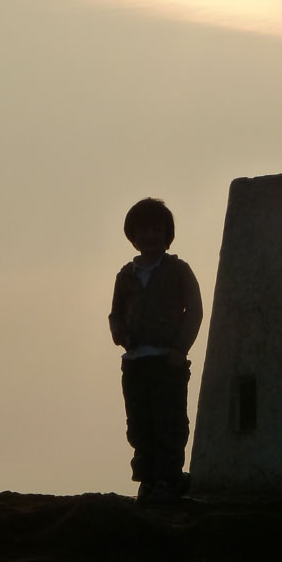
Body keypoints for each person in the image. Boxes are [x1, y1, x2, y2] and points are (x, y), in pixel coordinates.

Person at [109, 198, 203, 503]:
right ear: (133, 236)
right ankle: (147, 480)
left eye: (156, 229)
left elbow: (195, 311)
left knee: (170, 421)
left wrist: (180, 348)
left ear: (167, 234)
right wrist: (120, 334)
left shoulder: (178, 270)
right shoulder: (125, 275)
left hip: (168, 360)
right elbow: (115, 314)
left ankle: (169, 480)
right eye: (143, 230)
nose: (150, 236)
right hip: (135, 362)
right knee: (139, 423)